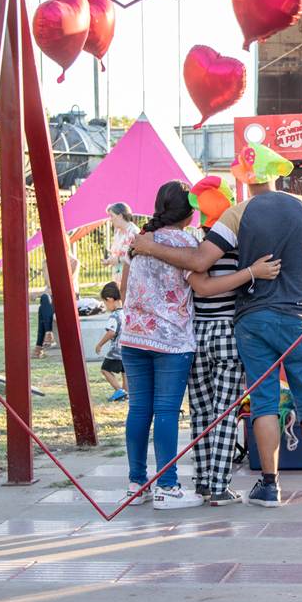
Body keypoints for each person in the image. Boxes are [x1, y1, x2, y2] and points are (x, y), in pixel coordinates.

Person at [133, 143, 302, 507]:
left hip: (252, 321)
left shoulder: (237, 214)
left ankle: (269, 486)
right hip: (300, 316)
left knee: (264, 402)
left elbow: (200, 261)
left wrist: (148, 246)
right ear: (277, 172)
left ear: (243, 178)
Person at [184, 176, 281, 506]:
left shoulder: (194, 244)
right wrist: (252, 272)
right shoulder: (241, 246)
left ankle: (201, 481)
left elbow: (198, 284)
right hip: (229, 331)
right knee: (224, 412)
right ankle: (218, 485)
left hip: (196, 334)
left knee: (199, 411)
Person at [118, 181, 204, 510]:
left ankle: (136, 482)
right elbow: (198, 278)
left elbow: (125, 290)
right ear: (189, 210)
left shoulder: (137, 242)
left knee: (139, 409)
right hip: (171, 339)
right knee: (167, 410)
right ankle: (167, 486)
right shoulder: (187, 242)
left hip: (134, 336)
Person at [95, 281, 127, 402]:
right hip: (126, 348)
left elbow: (111, 332)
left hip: (116, 351)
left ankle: (119, 391)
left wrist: (100, 344)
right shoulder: (125, 312)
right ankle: (127, 392)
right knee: (125, 371)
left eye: (105, 302)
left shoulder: (114, 316)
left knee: (105, 369)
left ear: (110, 299)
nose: (106, 306)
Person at [104, 202, 140, 284]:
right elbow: (116, 253)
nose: (110, 219)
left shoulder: (134, 232)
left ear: (120, 216)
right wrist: (109, 261)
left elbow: (136, 255)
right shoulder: (118, 232)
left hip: (131, 277)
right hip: (118, 276)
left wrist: (118, 260)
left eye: (111, 216)